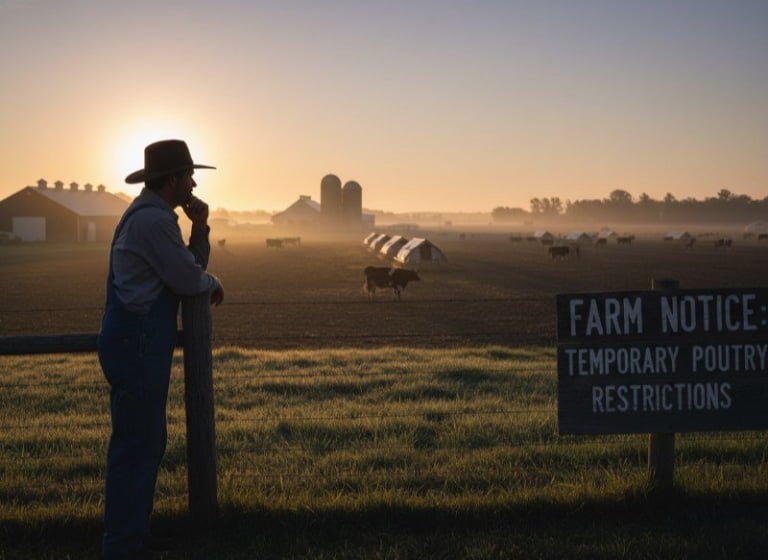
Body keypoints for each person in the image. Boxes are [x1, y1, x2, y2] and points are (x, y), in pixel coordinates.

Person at [98, 139, 224, 559]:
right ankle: (123, 548)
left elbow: (188, 268)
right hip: (138, 341)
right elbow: (190, 281)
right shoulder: (153, 222)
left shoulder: (150, 217)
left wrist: (200, 229)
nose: (192, 183)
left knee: (144, 442)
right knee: (136, 445)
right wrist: (213, 285)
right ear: (171, 180)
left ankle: (134, 537)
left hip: (136, 339)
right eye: (188, 176)